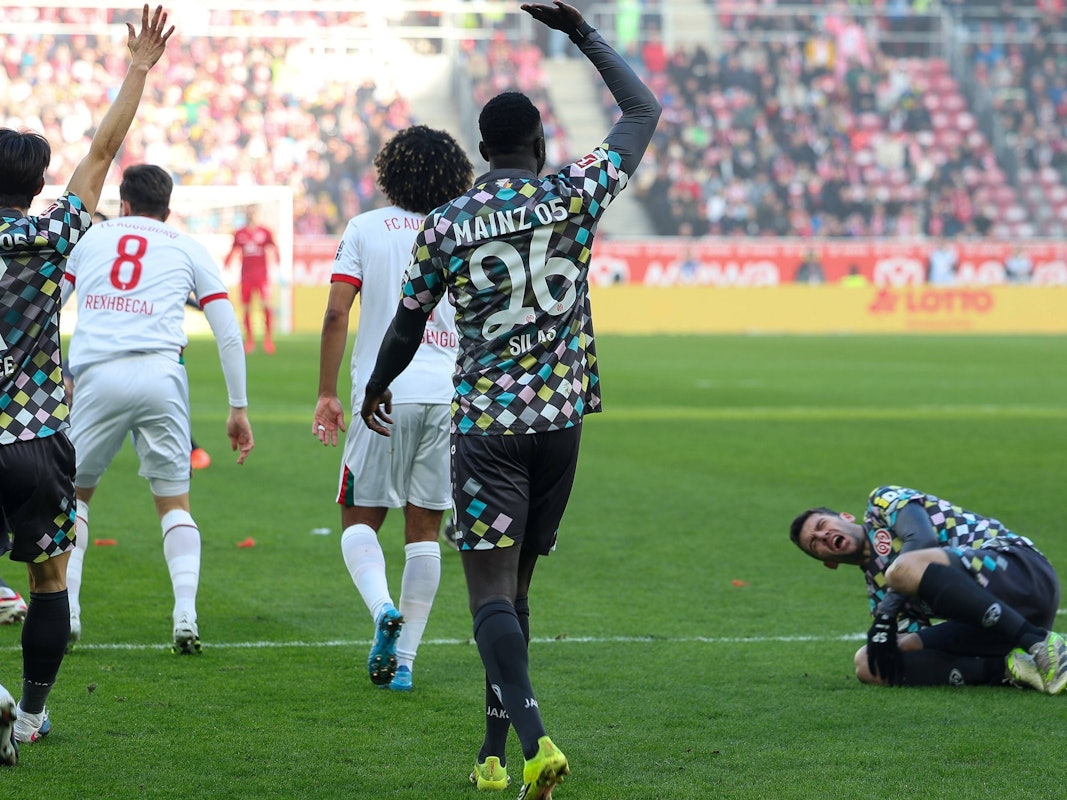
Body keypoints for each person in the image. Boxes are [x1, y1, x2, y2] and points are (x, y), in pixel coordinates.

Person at [359, 3, 660, 796]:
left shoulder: (447, 223)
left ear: (481, 150)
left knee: (488, 593)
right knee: (517, 594)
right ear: (536, 144)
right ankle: (492, 755)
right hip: (560, 425)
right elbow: (642, 110)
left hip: (488, 427)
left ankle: (533, 742)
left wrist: (375, 387)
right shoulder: (572, 193)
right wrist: (584, 35)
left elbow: (405, 324)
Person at [0, 5, 172, 763]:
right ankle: (32, 714)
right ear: (39, 183)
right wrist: (137, 68)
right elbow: (104, 150)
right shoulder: (55, 229)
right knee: (47, 577)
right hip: (36, 437)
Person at [60, 164, 254, 656]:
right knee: (174, 503)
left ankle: (70, 612)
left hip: (98, 375)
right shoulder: (187, 246)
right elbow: (228, 331)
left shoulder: (91, 241)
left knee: (75, 499)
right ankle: (185, 612)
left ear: (123, 203)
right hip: (163, 375)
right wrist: (238, 408)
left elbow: (45, 308)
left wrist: (53, 372)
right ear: (168, 210)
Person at [312, 125, 473, 692]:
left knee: (359, 521)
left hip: (381, 394)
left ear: (389, 173)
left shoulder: (365, 228)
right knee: (425, 530)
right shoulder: (462, 228)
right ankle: (404, 664)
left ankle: (382, 608)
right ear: (454, 173)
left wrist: (328, 393)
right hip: (445, 394)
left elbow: (337, 313)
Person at [790, 485, 1067, 693]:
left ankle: (1040, 643)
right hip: (1001, 625)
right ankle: (1011, 669)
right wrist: (888, 642)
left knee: (901, 569)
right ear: (828, 563)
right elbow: (922, 646)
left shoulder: (882, 503)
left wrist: (888, 610)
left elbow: (922, 539)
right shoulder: (878, 594)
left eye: (822, 525)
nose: (823, 536)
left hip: (1019, 570)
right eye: (815, 544)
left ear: (846, 517)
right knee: (869, 662)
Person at [224, 206, 279, 355]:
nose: (251, 216)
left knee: (266, 305)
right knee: (246, 307)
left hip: (262, 276)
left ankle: (268, 339)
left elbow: (273, 247)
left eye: (253, 213)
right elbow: (233, 249)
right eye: (248, 213)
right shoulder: (240, 233)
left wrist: (278, 261)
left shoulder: (265, 232)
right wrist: (227, 262)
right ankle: (250, 340)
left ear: (257, 215)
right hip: (246, 277)